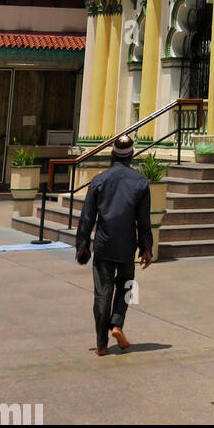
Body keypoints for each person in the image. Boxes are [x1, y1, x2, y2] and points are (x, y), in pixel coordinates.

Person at [75, 133, 152, 356]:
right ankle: (117, 323)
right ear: (132, 156)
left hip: (104, 244)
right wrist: (146, 247)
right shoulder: (140, 182)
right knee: (127, 286)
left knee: (102, 293)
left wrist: (83, 245)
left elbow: (87, 217)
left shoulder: (99, 180)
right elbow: (144, 221)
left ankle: (101, 344)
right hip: (126, 246)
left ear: (113, 155)